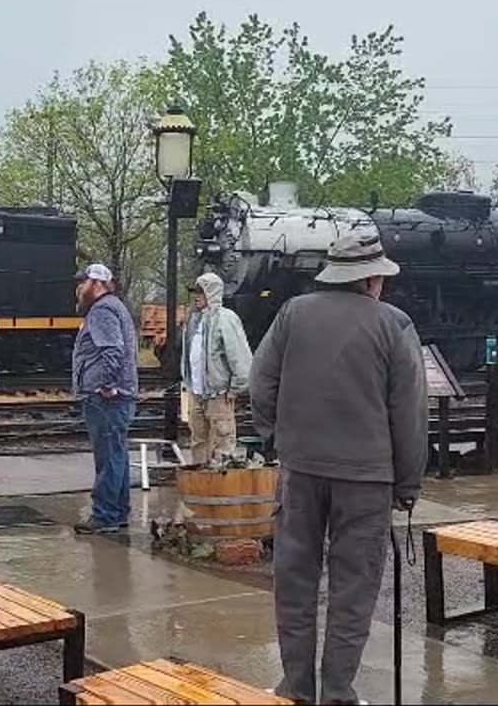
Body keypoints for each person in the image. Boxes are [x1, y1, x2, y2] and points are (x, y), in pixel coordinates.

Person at [249, 229, 428, 705]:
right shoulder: (395, 325)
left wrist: (277, 439)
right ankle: (337, 694)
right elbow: (409, 412)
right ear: (372, 279)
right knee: (353, 590)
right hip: (367, 480)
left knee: (295, 581)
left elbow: (259, 384)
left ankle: (296, 689)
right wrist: (408, 483)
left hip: (300, 471)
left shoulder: (292, 315)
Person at [70, 264, 138, 535]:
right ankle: (118, 512)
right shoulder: (115, 306)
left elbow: (112, 351)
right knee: (116, 455)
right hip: (118, 397)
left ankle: (106, 515)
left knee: (108, 457)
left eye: (83, 282)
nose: (79, 288)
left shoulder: (102, 310)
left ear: (97, 284)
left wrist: (107, 385)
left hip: (107, 399)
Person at [180, 272, 252, 466]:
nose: (196, 296)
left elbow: (240, 357)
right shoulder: (194, 320)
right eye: (195, 292)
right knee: (198, 441)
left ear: (212, 293)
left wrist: (235, 389)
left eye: (201, 292)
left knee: (222, 442)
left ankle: (218, 487)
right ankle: (200, 483)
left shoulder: (226, 319)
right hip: (197, 393)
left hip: (219, 395)